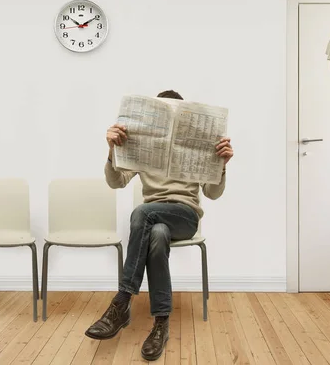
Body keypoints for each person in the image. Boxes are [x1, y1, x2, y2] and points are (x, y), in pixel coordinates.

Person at [84, 90, 234, 361]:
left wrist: (221, 166)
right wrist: (112, 150)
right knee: (156, 233)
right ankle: (161, 325)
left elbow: (212, 194)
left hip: (185, 216)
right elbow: (116, 182)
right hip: (154, 220)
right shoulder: (143, 144)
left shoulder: (195, 144)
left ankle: (122, 302)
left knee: (142, 213)